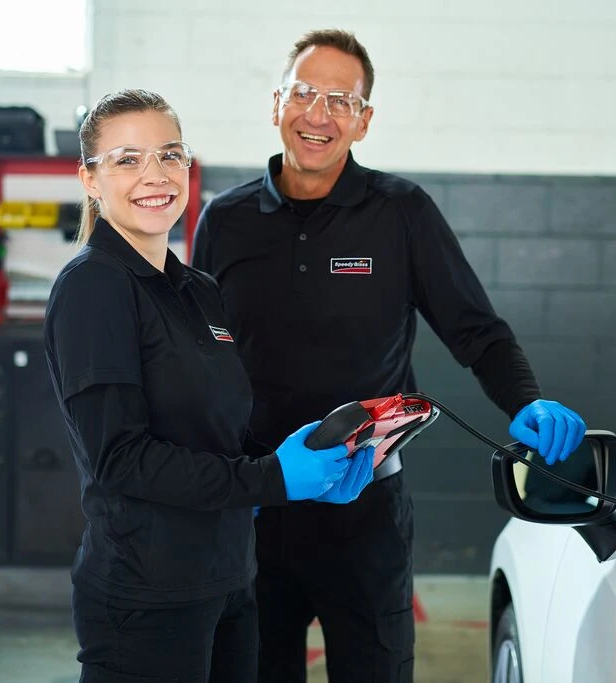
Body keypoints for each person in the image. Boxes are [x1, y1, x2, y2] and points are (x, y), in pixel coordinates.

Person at [191, 30, 588, 682]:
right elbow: (201, 361)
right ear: (276, 104)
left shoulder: (401, 214)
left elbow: (477, 332)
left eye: (341, 101)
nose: (318, 115)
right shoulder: (225, 221)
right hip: (256, 505)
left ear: (364, 121)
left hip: (364, 512)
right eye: (304, 93)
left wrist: (526, 399)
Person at [43, 88, 377, 683]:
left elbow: (217, 435)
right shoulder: (92, 289)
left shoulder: (197, 289)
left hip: (227, 582)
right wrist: (272, 477)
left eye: (170, 155)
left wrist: (299, 467)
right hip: (147, 593)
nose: (156, 175)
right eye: (128, 159)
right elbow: (121, 459)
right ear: (90, 179)